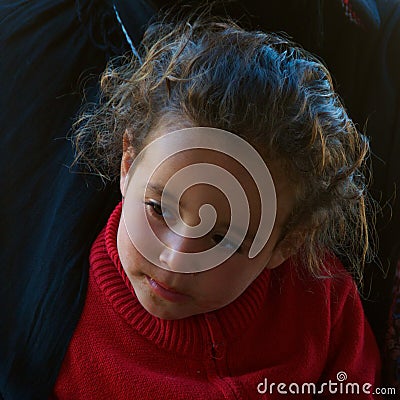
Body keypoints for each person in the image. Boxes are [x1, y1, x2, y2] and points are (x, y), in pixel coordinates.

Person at [49, 14, 382, 398]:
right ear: (128, 163)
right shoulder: (60, 312)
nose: (175, 259)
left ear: (288, 243)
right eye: (159, 208)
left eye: (223, 237)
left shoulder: (320, 302)